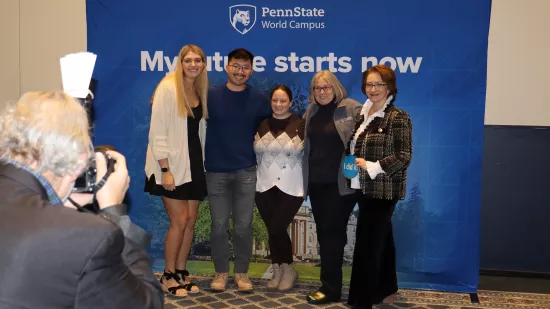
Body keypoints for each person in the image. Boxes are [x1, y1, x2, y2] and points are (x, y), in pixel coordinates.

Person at [0, 91, 163, 309]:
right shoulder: (89, 236)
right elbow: (148, 303)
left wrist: (58, 203)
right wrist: (114, 213)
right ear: (80, 164)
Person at [205, 48, 271, 292]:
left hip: (246, 170)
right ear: (226, 67)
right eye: (236, 66)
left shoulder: (260, 100)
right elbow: (183, 103)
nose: (240, 71)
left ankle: (242, 273)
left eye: (245, 67)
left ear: (251, 70)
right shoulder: (209, 95)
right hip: (216, 171)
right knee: (219, 225)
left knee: (243, 226)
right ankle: (221, 272)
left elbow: (278, 120)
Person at [347, 64, 413, 309]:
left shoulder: (399, 117)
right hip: (361, 186)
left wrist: (373, 166)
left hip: (384, 189)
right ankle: (387, 289)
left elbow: (404, 155)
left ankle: (363, 300)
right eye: (369, 84)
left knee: (368, 241)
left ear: (389, 87)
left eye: (379, 84)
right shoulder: (362, 114)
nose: (373, 89)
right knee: (382, 239)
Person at [144, 44, 208, 296]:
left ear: (203, 64)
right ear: (180, 63)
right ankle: (167, 275)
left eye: (198, 60)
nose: (193, 64)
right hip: (170, 166)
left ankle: (181, 272)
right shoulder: (168, 88)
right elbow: (157, 131)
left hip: (193, 165)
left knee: (190, 222)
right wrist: (165, 169)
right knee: (179, 221)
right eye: (188, 60)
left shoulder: (199, 88)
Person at [302, 70, 362, 304]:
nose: (322, 92)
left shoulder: (352, 109)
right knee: (325, 235)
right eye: (317, 88)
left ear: (335, 87)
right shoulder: (312, 111)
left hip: (341, 186)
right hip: (317, 185)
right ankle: (329, 285)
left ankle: (331, 289)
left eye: (326, 87)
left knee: (333, 236)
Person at [254, 85, 305, 292]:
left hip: (292, 186)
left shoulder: (302, 125)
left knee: (277, 227)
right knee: (273, 230)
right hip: (263, 185)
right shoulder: (261, 124)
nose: (278, 104)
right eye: (275, 100)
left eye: (283, 101)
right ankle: (277, 269)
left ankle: (289, 269)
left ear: (290, 103)